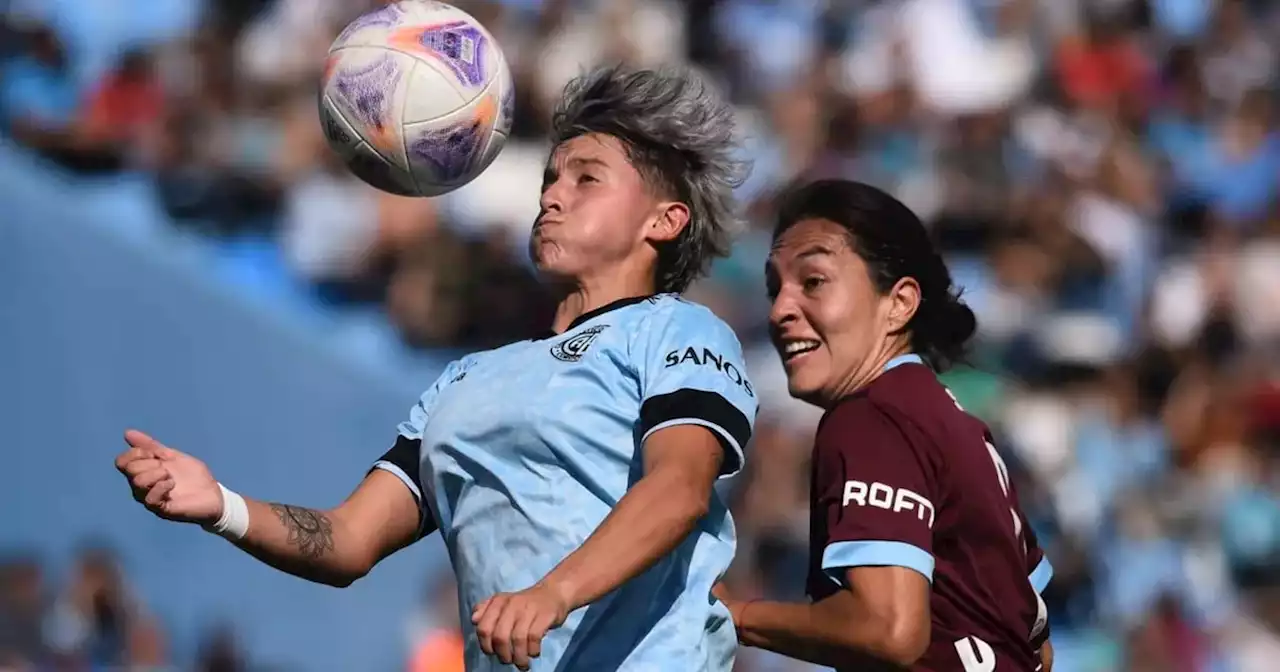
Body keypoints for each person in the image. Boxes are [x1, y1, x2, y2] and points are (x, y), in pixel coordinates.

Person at [114, 64, 758, 672]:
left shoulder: (679, 330)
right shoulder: (466, 378)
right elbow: (347, 540)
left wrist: (552, 594)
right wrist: (221, 505)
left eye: (586, 179)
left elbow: (679, 489)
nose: (554, 195)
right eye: (550, 179)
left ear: (664, 220)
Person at [717, 180, 1053, 671]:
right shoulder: (960, 426)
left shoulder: (872, 416)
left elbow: (888, 628)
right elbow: (1037, 645)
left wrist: (739, 615)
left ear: (899, 303)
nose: (779, 310)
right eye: (775, 289)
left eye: (812, 281)